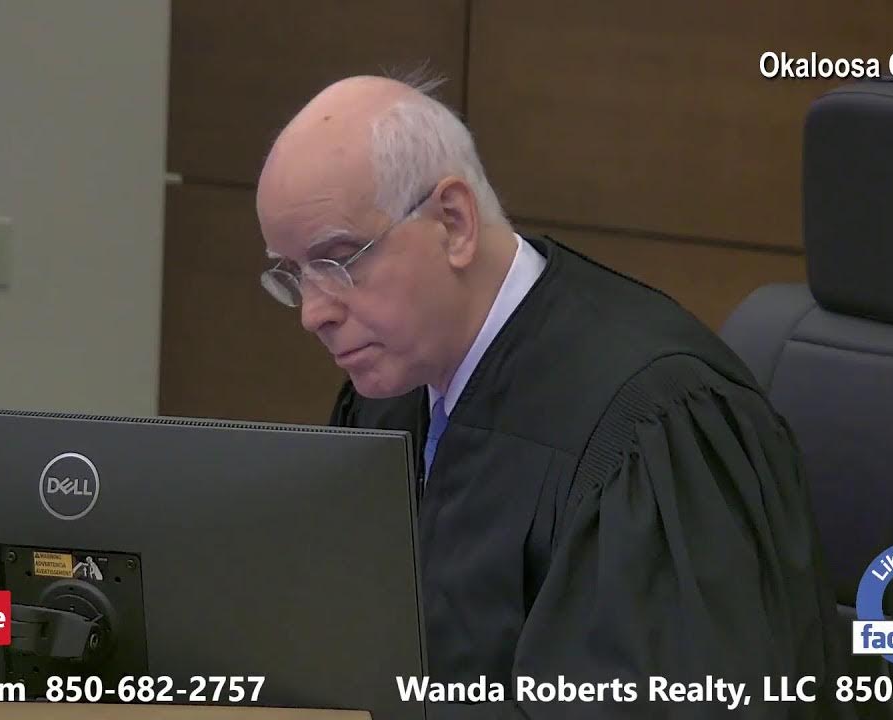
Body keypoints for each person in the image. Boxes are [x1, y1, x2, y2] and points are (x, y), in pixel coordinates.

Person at [255, 75, 852, 719]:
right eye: (294, 274)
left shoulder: (652, 423)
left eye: (339, 260)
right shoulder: (391, 392)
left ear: (453, 222)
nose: (313, 312)